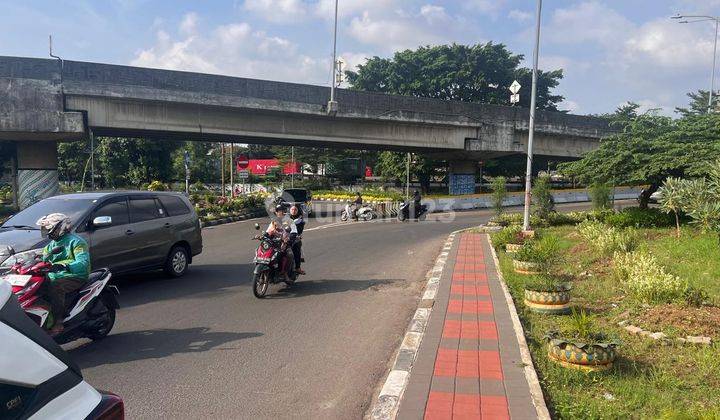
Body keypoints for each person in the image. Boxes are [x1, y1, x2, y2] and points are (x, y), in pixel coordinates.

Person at [36, 213, 90, 334]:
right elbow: (43, 260)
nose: (47, 232)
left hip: (75, 276)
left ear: (61, 227)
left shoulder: (77, 242)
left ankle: (58, 321)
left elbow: (83, 263)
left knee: (55, 286)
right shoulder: (50, 246)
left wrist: (64, 265)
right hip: (54, 275)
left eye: (49, 229)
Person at [289, 205, 306, 275]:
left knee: (296, 250)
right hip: (284, 237)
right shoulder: (285, 218)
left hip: (295, 238)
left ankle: (298, 268)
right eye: (292, 209)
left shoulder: (300, 220)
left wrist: (297, 236)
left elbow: (299, 230)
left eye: (295, 210)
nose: (293, 211)